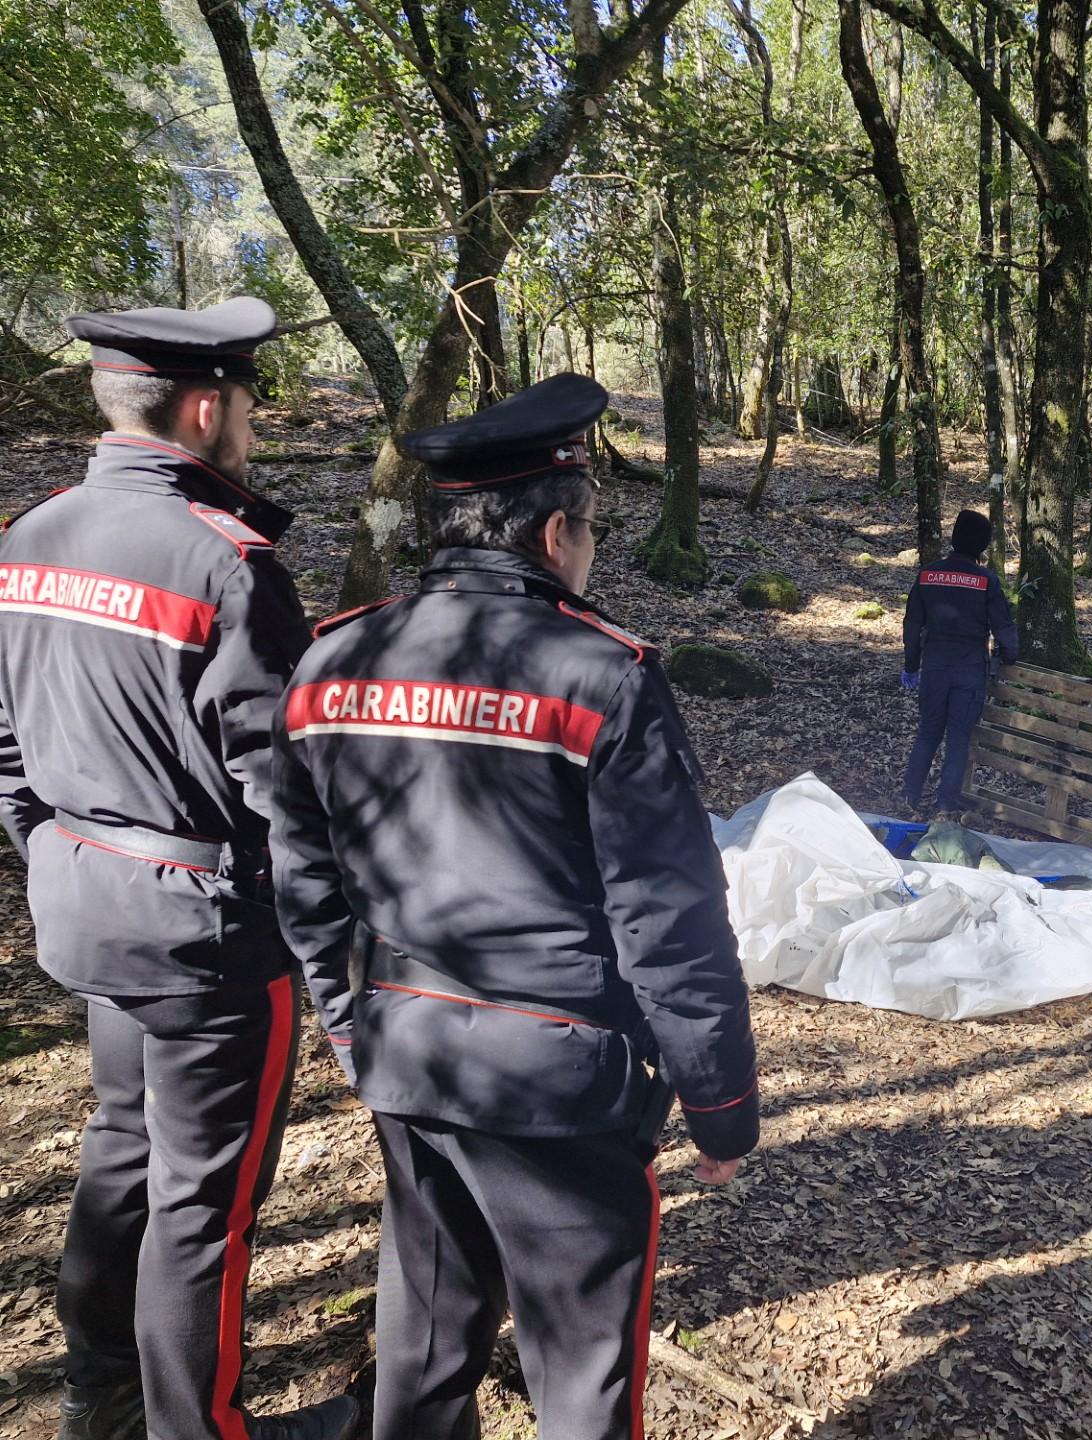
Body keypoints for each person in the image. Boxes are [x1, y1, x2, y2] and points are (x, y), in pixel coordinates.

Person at [269, 373, 760, 1440]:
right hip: (561, 1083)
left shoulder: (329, 659)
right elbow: (669, 917)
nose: (590, 555)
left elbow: (303, 874)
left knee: (427, 1348)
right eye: (587, 533)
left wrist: (345, 1019)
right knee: (581, 1372)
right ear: (553, 532)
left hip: (408, 1051)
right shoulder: (605, 676)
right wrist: (722, 1105)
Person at [0, 300, 356, 1440]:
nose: (252, 424)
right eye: (247, 403)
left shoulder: (29, 537)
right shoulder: (228, 563)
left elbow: (6, 745)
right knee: (203, 1202)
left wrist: (52, 852)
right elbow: (288, 798)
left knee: (120, 1147)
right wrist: (333, 961)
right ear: (206, 407)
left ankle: (95, 1393)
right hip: (205, 933)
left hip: (85, 900)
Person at [899, 509, 1017, 818]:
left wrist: (911, 666)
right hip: (970, 670)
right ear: (981, 545)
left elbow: (912, 625)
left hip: (935, 666)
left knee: (928, 732)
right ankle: (945, 806)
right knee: (958, 739)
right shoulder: (986, 580)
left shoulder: (928, 575)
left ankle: (909, 797)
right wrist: (1008, 655)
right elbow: (1004, 627)